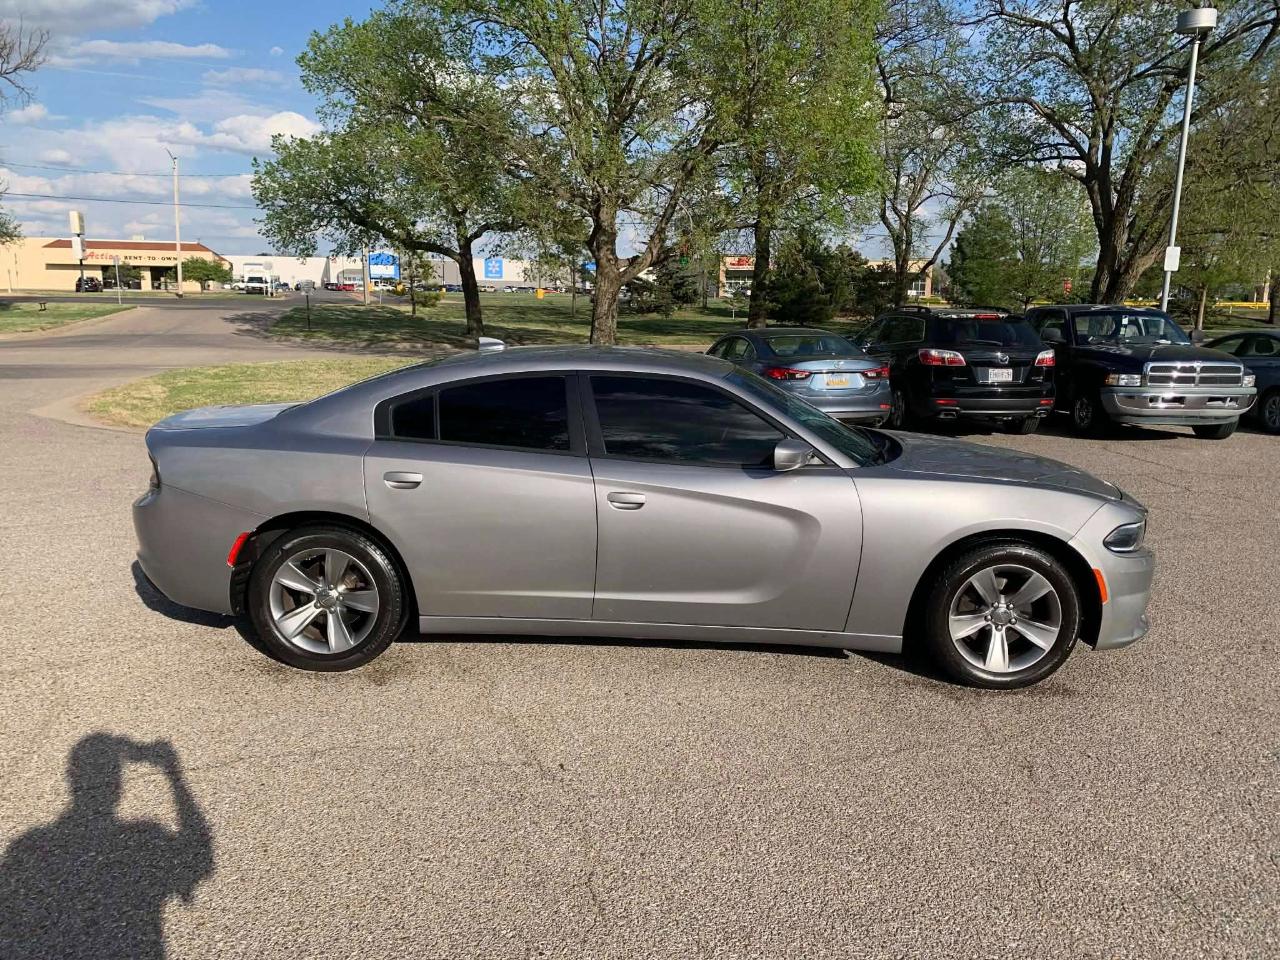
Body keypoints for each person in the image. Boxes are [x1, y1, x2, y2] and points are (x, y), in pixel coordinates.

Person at [0, 733, 214, 960]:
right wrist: (174, 775)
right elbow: (198, 853)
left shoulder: (29, 847)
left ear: (72, 779)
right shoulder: (145, 838)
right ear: (118, 785)